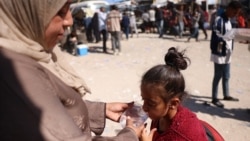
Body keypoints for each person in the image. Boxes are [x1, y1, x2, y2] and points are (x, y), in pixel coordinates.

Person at [0, 0, 144, 140]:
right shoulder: (14, 71)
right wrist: (130, 134)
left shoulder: (35, 51)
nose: (69, 21)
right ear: (25, 13)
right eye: (60, 12)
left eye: (69, 9)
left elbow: (53, 104)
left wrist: (99, 110)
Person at [139, 47, 208, 141]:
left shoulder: (185, 135)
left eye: (151, 103)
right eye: (143, 100)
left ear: (173, 103)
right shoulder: (160, 116)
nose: (144, 107)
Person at [210, 1, 242, 108]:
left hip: (228, 53)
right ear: (229, 8)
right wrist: (225, 38)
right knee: (218, 76)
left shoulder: (230, 21)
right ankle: (214, 98)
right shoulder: (219, 19)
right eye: (234, 12)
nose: (235, 15)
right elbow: (216, 35)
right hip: (219, 53)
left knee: (227, 76)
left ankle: (226, 94)